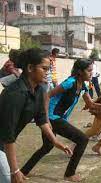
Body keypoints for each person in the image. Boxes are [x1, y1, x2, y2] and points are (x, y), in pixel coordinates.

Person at [21, 58, 101, 182]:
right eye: (89, 71)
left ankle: (23, 171)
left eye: (91, 71)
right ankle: (69, 173)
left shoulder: (83, 85)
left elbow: (91, 104)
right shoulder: (70, 82)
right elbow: (47, 95)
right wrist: (46, 120)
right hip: (52, 117)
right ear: (80, 71)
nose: (91, 73)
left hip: (57, 118)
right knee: (82, 139)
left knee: (47, 147)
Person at [0, 48, 72, 183]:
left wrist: (56, 142)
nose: (47, 73)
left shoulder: (38, 90)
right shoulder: (14, 94)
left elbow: (41, 120)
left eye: (48, 69)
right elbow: (8, 135)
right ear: (30, 68)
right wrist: (15, 170)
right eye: (44, 69)